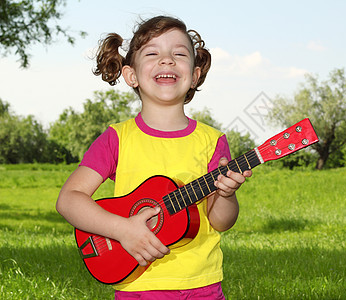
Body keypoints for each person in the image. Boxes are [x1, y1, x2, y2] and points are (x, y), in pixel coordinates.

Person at [56, 15, 252, 299]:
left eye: (179, 54)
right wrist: (123, 229)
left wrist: (227, 194)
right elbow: (69, 199)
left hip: (201, 286)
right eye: (152, 53)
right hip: (136, 285)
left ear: (195, 75)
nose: (167, 60)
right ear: (131, 75)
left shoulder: (212, 141)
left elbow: (221, 221)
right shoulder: (117, 138)